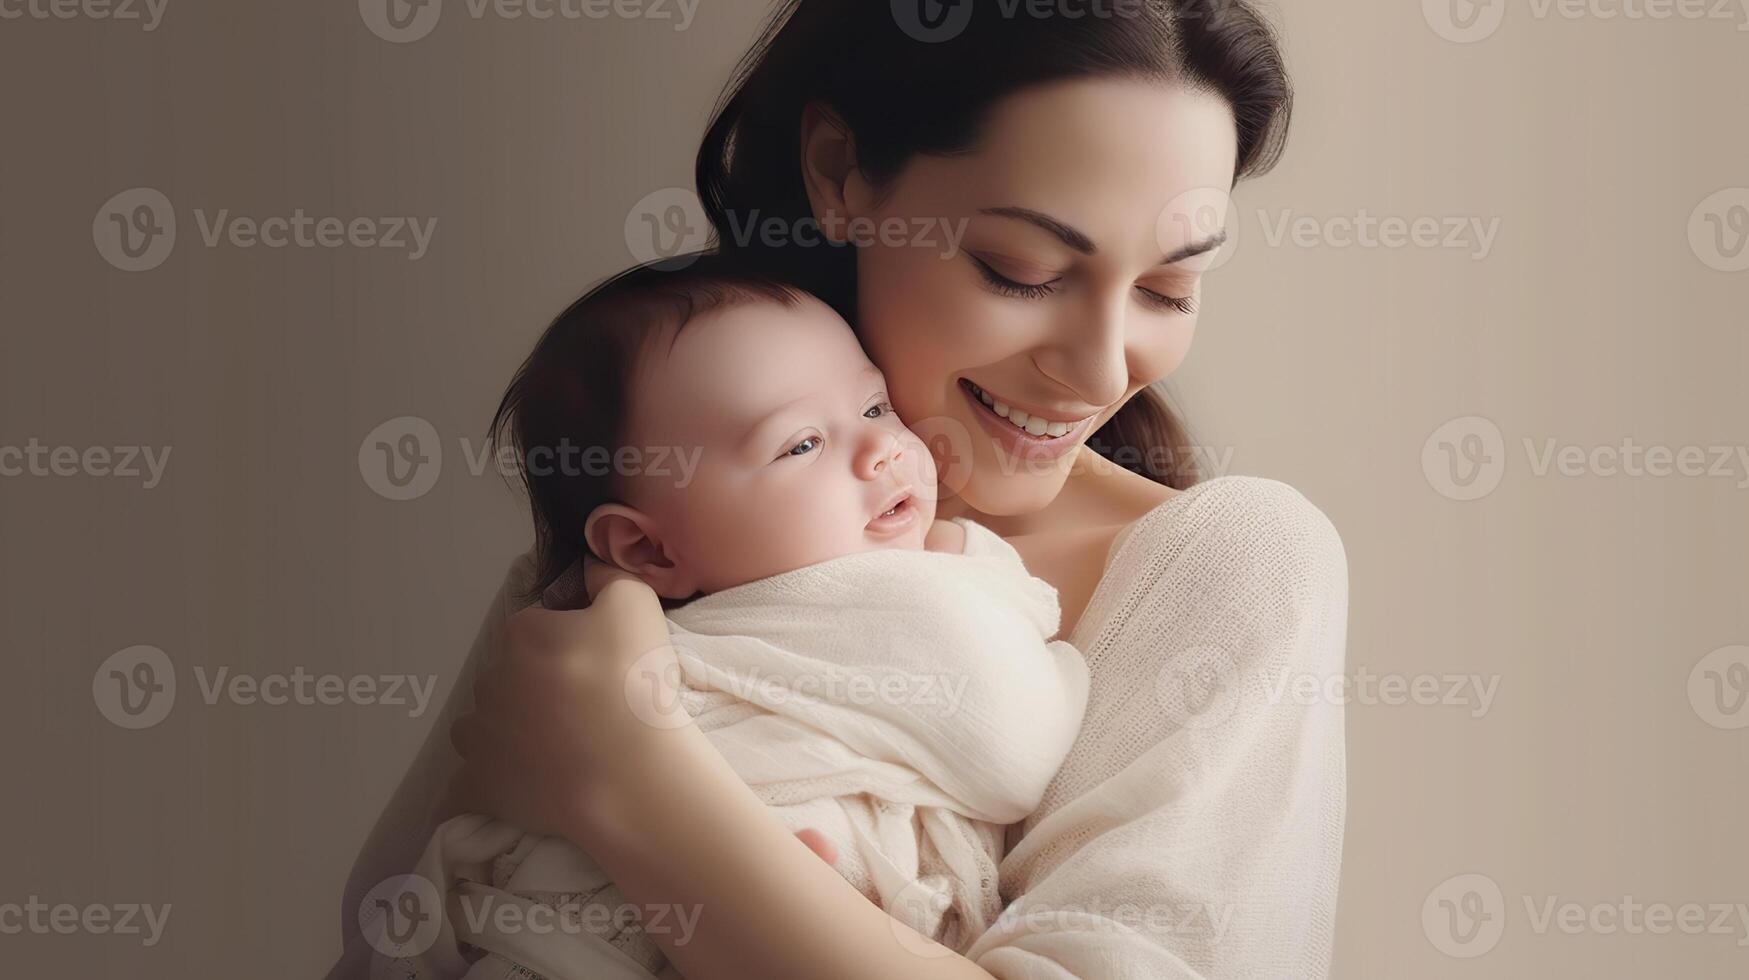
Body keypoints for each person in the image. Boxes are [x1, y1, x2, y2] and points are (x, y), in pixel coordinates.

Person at [339, 2, 1349, 977]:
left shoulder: (1230, 566)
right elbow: (393, 930)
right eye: (1023, 268)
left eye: (1170, 288)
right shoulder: (669, 502)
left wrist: (633, 776)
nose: (1098, 371)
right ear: (839, 174)